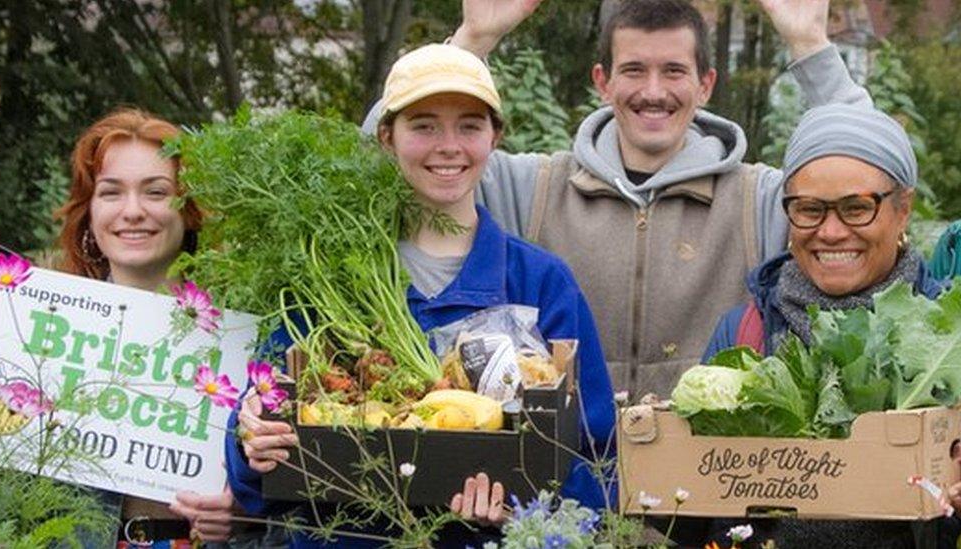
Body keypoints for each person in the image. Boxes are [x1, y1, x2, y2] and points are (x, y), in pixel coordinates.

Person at [364, 0, 873, 401]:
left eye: (674, 71)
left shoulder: (756, 199)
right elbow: (377, 165)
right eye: (633, 70)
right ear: (602, 82)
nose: (654, 91)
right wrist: (473, 40)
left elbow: (871, 166)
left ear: (706, 84)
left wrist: (811, 44)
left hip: (706, 492)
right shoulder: (533, 187)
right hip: (563, 491)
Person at [225, 43, 615, 547]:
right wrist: (253, 441)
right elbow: (256, 482)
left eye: (470, 125)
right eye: (424, 125)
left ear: (495, 137)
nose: (448, 145)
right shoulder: (326, 276)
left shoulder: (540, 282)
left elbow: (597, 457)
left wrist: (523, 502)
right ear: (387, 137)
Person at [702, 103, 942, 548]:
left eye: (856, 208)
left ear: (903, 209)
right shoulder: (747, 333)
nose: (830, 233)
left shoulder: (949, 338)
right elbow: (695, 512)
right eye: (810, 209)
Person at [56, 108, 283, 548]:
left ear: (189, 210)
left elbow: (290, 503)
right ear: (89, 212)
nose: (133, 211)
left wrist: (242, 515)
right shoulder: (44, 328)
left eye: (156, 192)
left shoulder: (249, 340)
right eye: (111, 193)